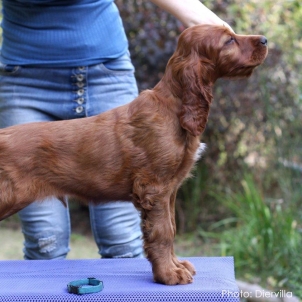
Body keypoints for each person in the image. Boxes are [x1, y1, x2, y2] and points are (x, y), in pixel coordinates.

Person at [0, 0, 231, 260]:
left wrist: (200, 17)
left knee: (122, 239)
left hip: (105, 73)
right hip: (24, 78)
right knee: (45, 242)